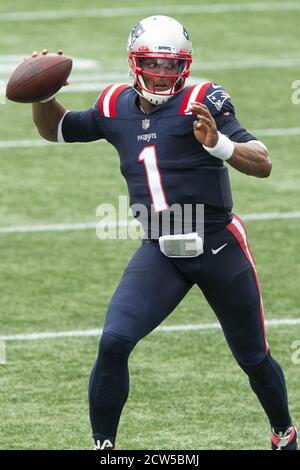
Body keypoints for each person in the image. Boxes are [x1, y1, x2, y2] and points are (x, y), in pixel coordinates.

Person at [32, 15, 297, 450]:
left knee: (253, 357)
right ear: (134, 62)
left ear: (186, 67)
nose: (162, 73)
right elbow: (57, 129)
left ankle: (284, 433)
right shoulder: (114, 103)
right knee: (114, 341)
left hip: (217, 244)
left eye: (172, 65)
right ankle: (104, 447)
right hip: (160, 247)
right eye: (153, 62)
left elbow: (263, 162)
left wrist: (219, 144)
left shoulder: (203, 99)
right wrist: (44, 93)